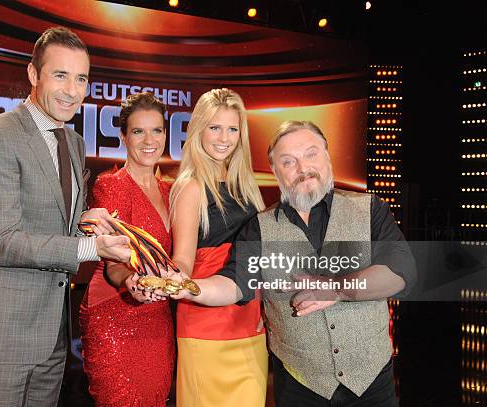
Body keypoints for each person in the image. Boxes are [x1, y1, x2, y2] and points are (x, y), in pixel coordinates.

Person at [171, 120, 417, 407]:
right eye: (288, 162)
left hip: (372, 384)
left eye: (311, 154)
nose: (302, 168)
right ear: (276, 173)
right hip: (299, 389)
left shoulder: (370, 209)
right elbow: (233, 284)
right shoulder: (259, 228)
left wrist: (336, 289)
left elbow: (402, 272)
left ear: (327, 156)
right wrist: (190, 288)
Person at [0, 27, 131, 407]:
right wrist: (92, 246)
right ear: (34, 74)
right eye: (60, 75)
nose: (72, 89)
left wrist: (88, 217)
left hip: (53, 333)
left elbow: (54, 219)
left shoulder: (73, 141)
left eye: (81, 78)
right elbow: (2, 241)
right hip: (4, 333)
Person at [168, 88, 268, 406]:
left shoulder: (247, 185)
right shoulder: (191, 186)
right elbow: (183, 257)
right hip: (205, 327)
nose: (224, 138)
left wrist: (267, 308)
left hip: (249, 327)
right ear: (199, 130)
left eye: (232, 129)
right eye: (214, 127)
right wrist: (177, 280)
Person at [79, 92, 174, 406]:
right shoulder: (112, 185)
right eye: (138, 131)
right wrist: (130, 281)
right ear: (123, 136)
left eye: (157, 130)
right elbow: (113, 262)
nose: (149, 140)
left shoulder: (171, 190)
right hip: (115, 314)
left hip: (158, 318)